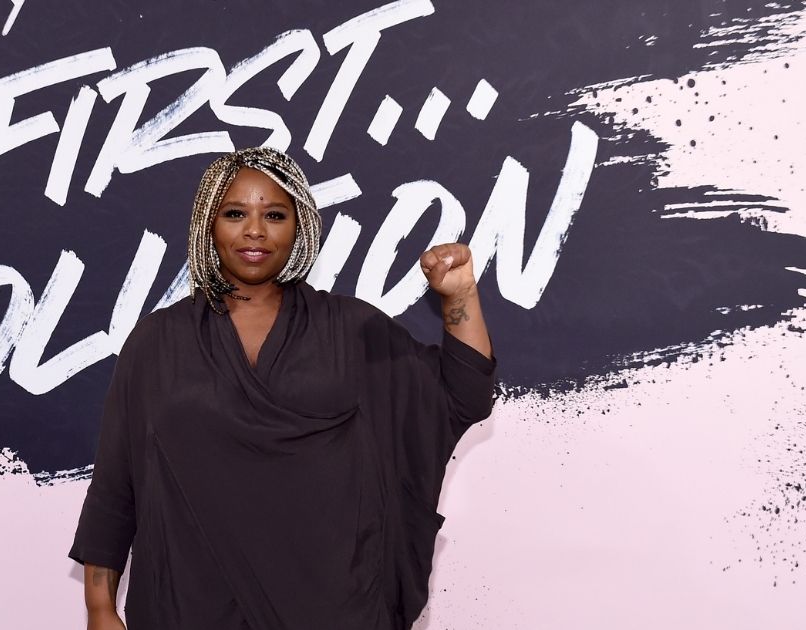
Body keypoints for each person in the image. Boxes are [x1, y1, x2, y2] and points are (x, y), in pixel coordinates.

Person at [69, 147, 496, 630]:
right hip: (188, 610)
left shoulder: (349, 329)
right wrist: (99, 608)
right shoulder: (156, 342)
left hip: (334, 611)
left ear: (299, 226)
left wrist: (460, 296)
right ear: (209, 225)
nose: (255, 230)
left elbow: (462, 396)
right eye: (235, 214)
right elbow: (113, 489)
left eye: (274, 214)